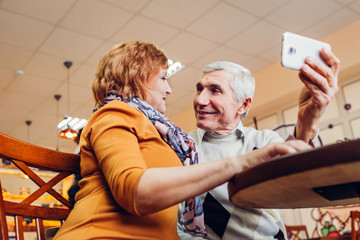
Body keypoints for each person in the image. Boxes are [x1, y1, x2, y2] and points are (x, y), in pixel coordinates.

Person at [53, 41, 310, 240]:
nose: (170, 89)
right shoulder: (116, 113)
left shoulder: (166, 136)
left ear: (244, 105)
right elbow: (135, 191)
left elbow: (296, 172)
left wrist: (311, 117)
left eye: (215, 90)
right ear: (137, 77)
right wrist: (246, 161)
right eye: (164, 78)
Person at [177, 48, 340, 239]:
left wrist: (307, 122)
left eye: (215, 90)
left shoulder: (265, 141)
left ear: (243, 105)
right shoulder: (180, 147)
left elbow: (288, 180)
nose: (200, 100)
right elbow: (175, 222)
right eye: (199, 89)